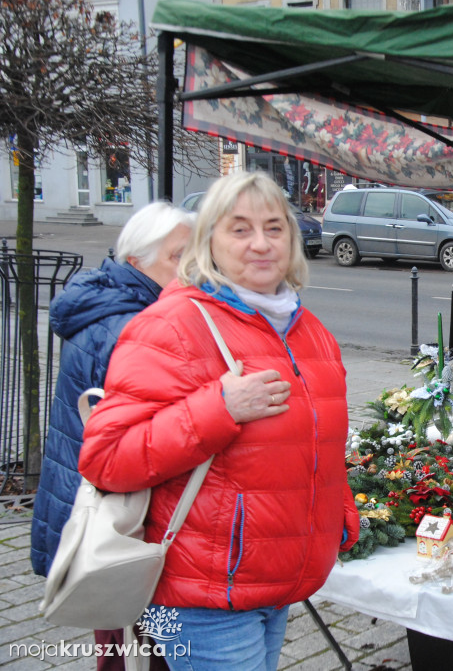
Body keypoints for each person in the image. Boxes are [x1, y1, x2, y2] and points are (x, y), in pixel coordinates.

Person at [79, 171, 360, 670]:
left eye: (274, 228)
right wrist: (220, 409)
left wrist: (338, 517)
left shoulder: (309, 331)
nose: (261, 244)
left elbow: (317, 443)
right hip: (203, 596)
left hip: (275, 584)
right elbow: (107, 459)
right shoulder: (173, 325)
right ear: (209, 240)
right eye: (240, 229)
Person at [31, 202, 194, 670]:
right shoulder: (132, 326)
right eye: (178, 257)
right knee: (142, 642)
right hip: (124, 516)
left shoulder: (111, 303)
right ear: (135, 261)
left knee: (121, 635)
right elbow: (148, 438)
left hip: (98, 503)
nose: (192, 269)